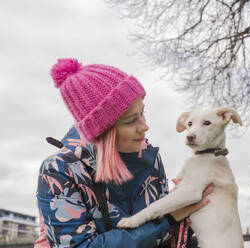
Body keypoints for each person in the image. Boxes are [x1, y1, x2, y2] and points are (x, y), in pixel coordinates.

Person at [34, 58, 213, 248]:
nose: (145, 126)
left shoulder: (150, 160)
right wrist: (167, 218)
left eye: (143, 113)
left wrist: (188, 205)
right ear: (102, 132)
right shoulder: (59, 171)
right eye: (130, 121)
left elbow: (166, 238)